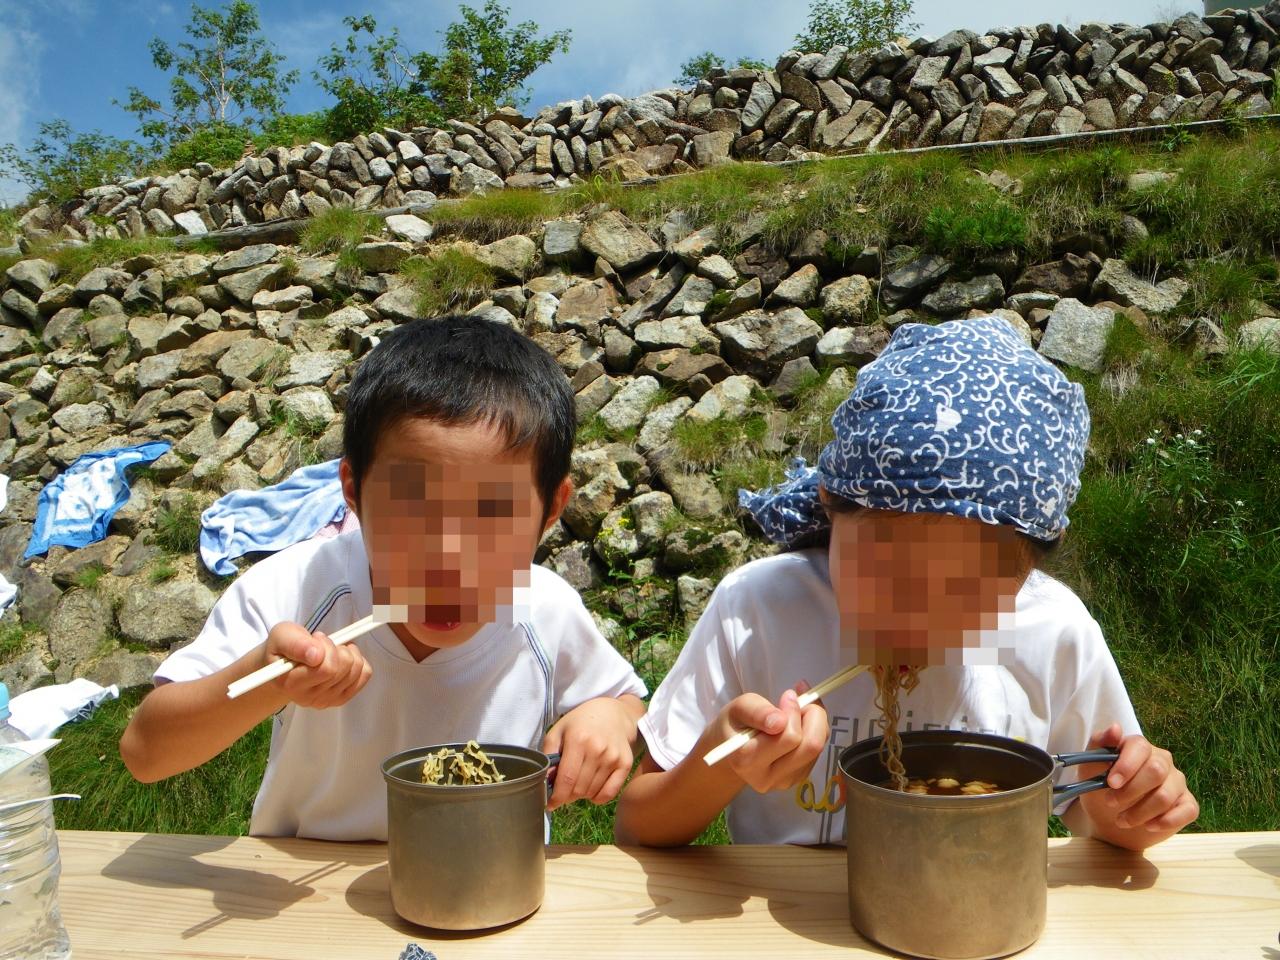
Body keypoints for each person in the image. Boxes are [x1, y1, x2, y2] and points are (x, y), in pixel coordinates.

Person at [616, 316, 1198, 850]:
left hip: (973, 908)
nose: (916, 618)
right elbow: (639, 825)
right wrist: (724, 760)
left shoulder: (1052, 634)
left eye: (965, 593)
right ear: (831, 504)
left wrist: (1131, 807)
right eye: (889, 575)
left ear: (1027, 571)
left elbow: (1101, 820)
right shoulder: (759, 609)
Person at [121, 315, 647, 840]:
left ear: (551, 507)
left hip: (492, 876)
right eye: (413, 508)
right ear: (353, 490)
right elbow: (145, 753)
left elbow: (627, 704)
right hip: (303, 878)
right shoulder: (295, 588)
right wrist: (268, 679)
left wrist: (610, 719)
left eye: (491, 513)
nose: (447, 556)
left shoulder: (544, 610)